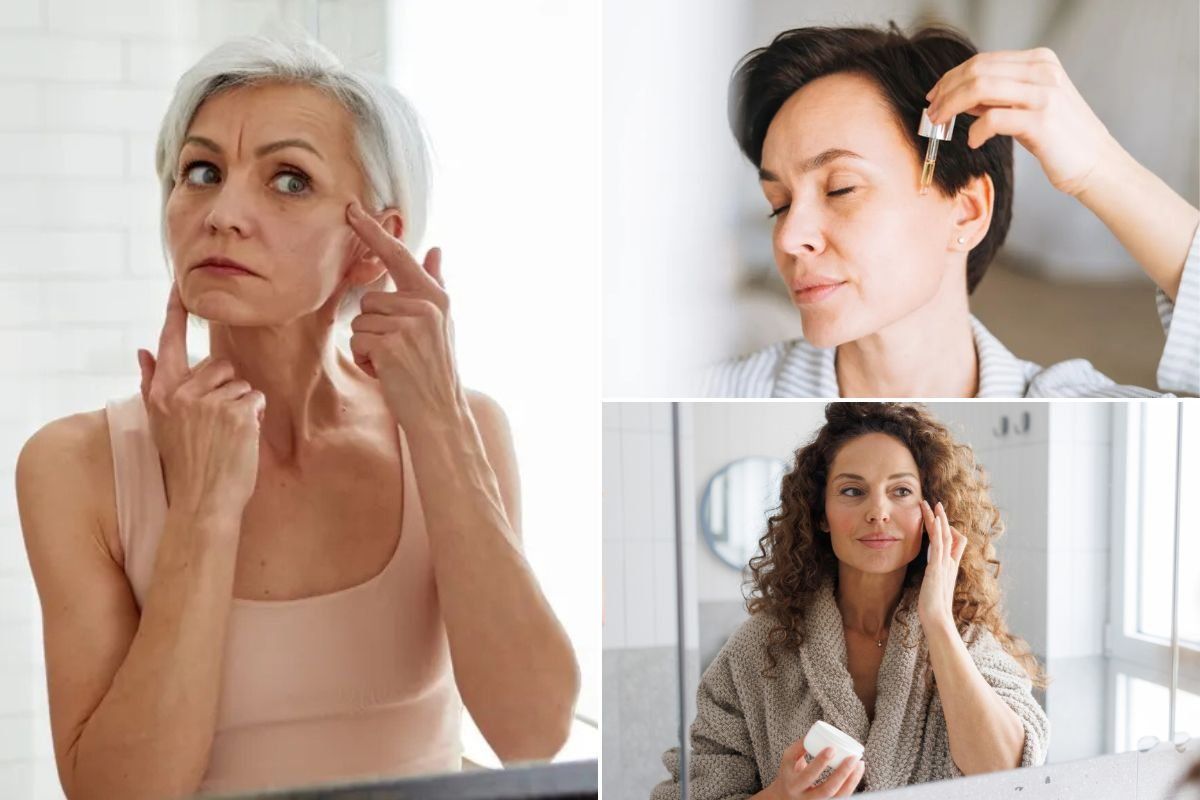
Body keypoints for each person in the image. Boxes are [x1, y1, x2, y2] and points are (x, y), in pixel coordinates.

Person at [14, 34, 578, 798]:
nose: (223, 214)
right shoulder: (73, 464)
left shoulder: (465, 427)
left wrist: (440, 422)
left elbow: (533, 731)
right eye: (201, 172)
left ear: (374, 245)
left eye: (288, 180)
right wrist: (205, 510)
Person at [706, 24, 1199, 398]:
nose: (790, 237)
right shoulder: (705, 393)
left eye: (840, 188)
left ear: (966, 212)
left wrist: (1101, 168)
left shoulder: (1079, 412)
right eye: (780, 205)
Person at [652, 403, 1049, 798]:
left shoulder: (968, 642)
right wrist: (778, 797)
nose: (878, 511)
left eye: (902, 491)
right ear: (821, 513)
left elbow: (1009, 772)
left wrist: (939, 622)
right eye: (852, 491)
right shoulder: (758, 650)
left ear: (933, 516)